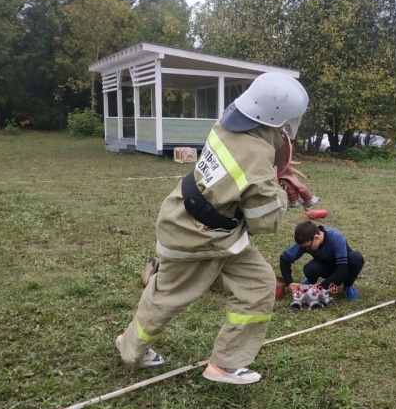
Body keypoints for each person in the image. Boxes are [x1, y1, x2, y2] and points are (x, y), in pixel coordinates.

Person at [115, 72, 310, 385]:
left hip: (206, 225)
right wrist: (278, 186)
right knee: (168, 295)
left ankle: (226, 363)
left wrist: (273, 170)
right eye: (288, 122)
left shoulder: (227, 125)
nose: (288, 129)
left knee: (258, 285)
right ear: (276, 118)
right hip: (197, 236)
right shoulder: (258, 159)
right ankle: (130, 348)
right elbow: (265, 222)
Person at [279, 220, 364, 301]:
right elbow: (284, 259)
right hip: (327, 267)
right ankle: (310, 281)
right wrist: (289, 282)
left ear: (316, 237)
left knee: (356, 258)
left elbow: (343, 270)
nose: (306, 249)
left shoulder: (335, 237)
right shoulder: (306, 241)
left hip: (344, 267)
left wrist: (321, 287)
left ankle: (348, 286)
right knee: (310, 268)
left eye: (307, 247)